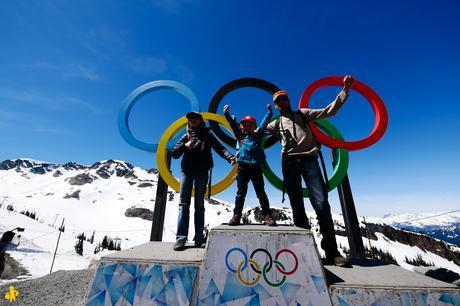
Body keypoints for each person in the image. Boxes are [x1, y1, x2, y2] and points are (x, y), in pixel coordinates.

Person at [266, 75, 354, 266]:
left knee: (321, 203)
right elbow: (257, 133)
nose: (281, 103)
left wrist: (345, 91)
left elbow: (328, 111)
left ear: (288, 100)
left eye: (283, 99)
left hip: (309, 160)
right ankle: (305, 253)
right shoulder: (275, 123)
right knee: (297, 206)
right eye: (278, 101)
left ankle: (332, 252)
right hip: (288, 163)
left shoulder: (303, 114)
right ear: (276, 106)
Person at [171, 112, 235, 251]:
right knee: (183, 204)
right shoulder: (185, 136)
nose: (192, 120)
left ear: (200, 121)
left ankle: (199, 239)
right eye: (190, 119)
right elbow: (174, 153)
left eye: (195, 118)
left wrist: (230, 157)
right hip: (187, 172)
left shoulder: (208, 135)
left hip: (202, 173)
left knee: (199, 205)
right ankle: (181, 238)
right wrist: (185, 145)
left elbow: (220, 148)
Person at [223, 104, 277, 226]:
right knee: (240, 193)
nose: (247, 127)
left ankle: (267, 216)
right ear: (241, 127)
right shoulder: (240, 136)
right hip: (243, 168)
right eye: (245, 125)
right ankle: (236, 216)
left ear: (254, 126)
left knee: (261, 193)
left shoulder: (259, 135)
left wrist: (269, 113)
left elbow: (264, 124)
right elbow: (232, 125)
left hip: (256, 168)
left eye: (250, 125)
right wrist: (227, 114)